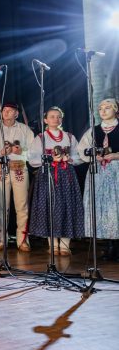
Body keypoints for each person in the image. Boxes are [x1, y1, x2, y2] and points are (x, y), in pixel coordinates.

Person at [28, 107, 84, 255]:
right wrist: (51, 159)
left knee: (67, 206)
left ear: (61, 119)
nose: (55, 119)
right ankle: (52, 245)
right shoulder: (40, 138)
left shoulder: (69, 137)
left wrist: (69, 158)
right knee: (49, 206)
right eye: (52, 116)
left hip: (66, 175)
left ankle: (65, 245)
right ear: (45, 120)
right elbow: (32, 159)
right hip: (48, 176)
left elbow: (79, 156)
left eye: (58, 117)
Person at [0, 102, 35, 252]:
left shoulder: (25, 130)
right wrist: (0, 152)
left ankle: (22, 240)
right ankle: (2, 239)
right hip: (1, 169)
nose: (6, 112)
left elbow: (34, 152)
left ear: (16, 114)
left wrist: (21, 152)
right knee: (2, 206)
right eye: (4, 110)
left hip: (20, 169)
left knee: (22, 206)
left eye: (10, 110)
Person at [77, 98, 119, 260]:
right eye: (100, 108)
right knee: (103, 206)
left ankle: (117, 246)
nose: (103, 111)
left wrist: (115, 155)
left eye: (107, 107)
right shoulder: (94, 130)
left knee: (116, 205)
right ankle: (109, 245)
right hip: (99, 172)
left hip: (116, 170)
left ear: (116, 109)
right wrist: (94, 156)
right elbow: (82, 149)